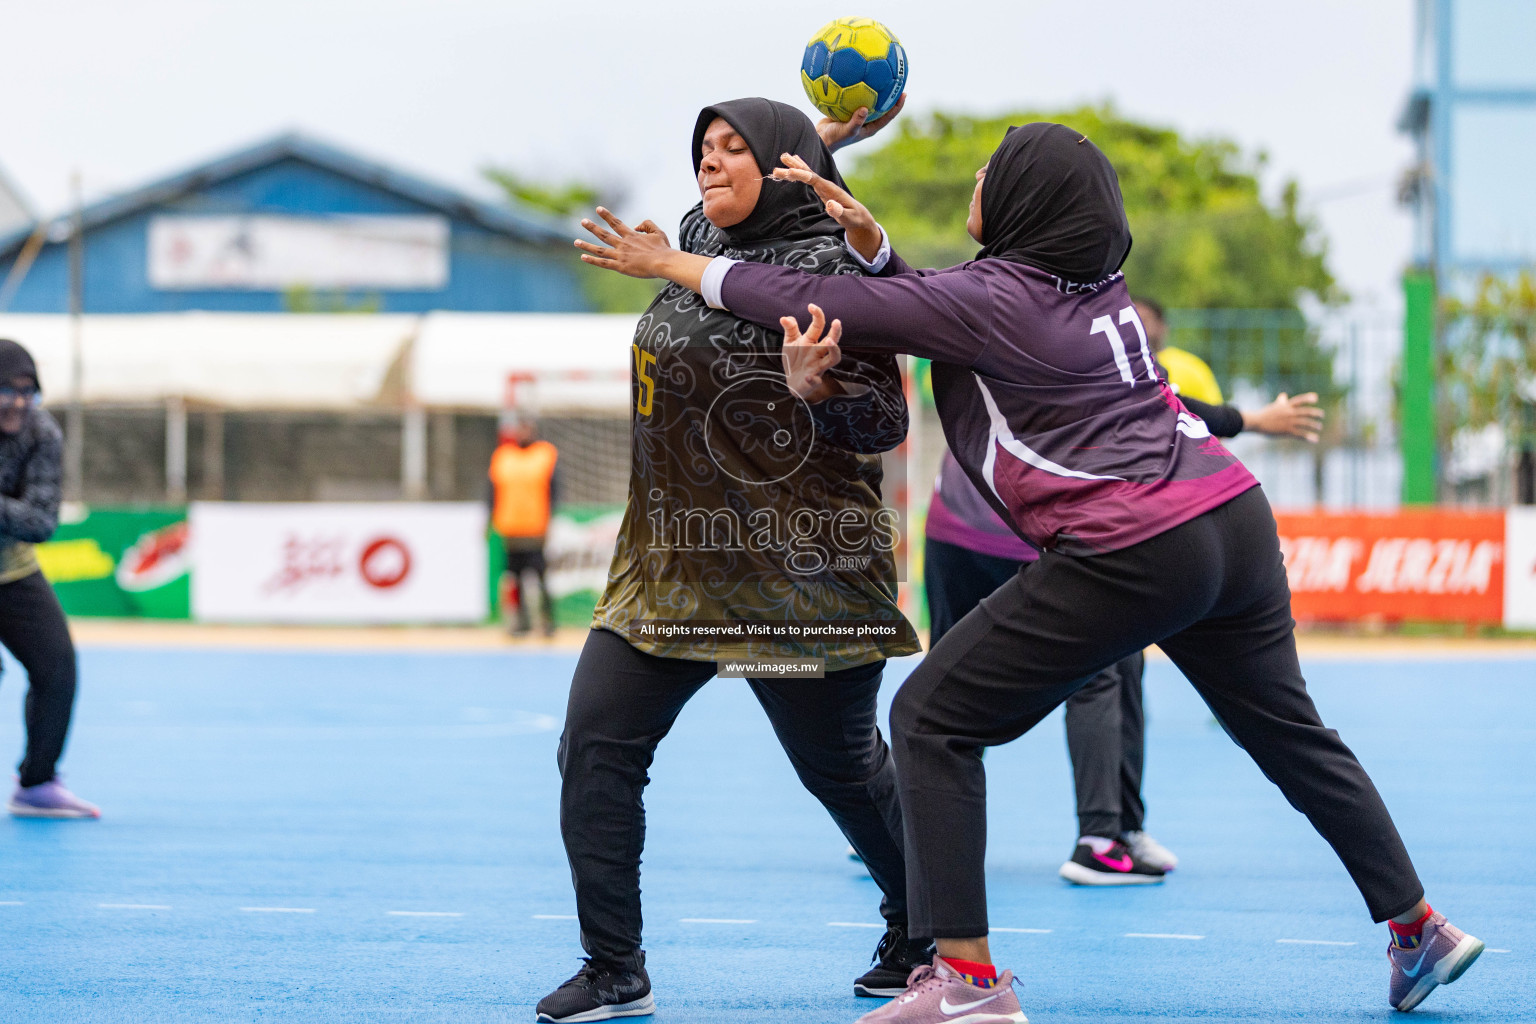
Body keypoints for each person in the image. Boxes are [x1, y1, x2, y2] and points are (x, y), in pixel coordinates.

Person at [575, 122, 1483, 1019]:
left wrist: (675, 267)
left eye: (989, 173)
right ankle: (1420, 928)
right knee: (1292, 735)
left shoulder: (995, 299)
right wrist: (877, 244)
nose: (977, 182)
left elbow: (851, 304)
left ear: (1024, 203)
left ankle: (965, 984)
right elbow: (938, 306)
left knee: (928, 719)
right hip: (1232, 520)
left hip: (1136, 542)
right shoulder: (1098, 288)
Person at [537, 99, 928, 1024]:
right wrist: (822, 143)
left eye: (732, 151)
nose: (709, 167)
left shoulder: (835, 268)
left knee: (836, 766)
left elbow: (885, 422)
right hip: (668, 573)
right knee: (594, 749)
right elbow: (753, 204)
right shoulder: (687, 243)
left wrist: (819, 386)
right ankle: (614, 967)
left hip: (795, 583)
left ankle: (922, 929)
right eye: (702, 151)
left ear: (779, 165)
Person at [0, 338, 98, 819]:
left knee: (57, 671)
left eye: (28, 392)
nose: (18, 403)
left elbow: (41, 524)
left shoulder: (42, 433)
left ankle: (36, 784)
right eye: (6, 391)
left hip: (12, 569)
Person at [489, 417, 559, 636]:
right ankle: (520, 622)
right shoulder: (503, 457)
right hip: (511, 529)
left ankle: (547, 621)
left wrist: (551, 519)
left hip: (535, 529)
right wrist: (488, 519)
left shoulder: (544, 455)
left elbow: (554, 490)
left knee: (540, 577)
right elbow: (491, 492)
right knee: (514, 578)